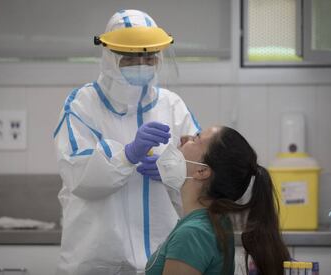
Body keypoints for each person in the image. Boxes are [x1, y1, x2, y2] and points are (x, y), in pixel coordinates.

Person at [53, 9, 201, 275]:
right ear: (110, 56)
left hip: (162, 257)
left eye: (149, 56)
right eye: (131, 56)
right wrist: (127, 155)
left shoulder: (172, 105)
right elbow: (78, 174)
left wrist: (175, 171)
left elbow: (200, 170)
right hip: (96, 260)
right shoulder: (82, 105)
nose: (142, 63)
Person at [145, 126, 291, 275]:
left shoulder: (192, 234)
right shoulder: (214, 222)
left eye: (195, 138)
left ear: (202, 171)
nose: (184, 138)